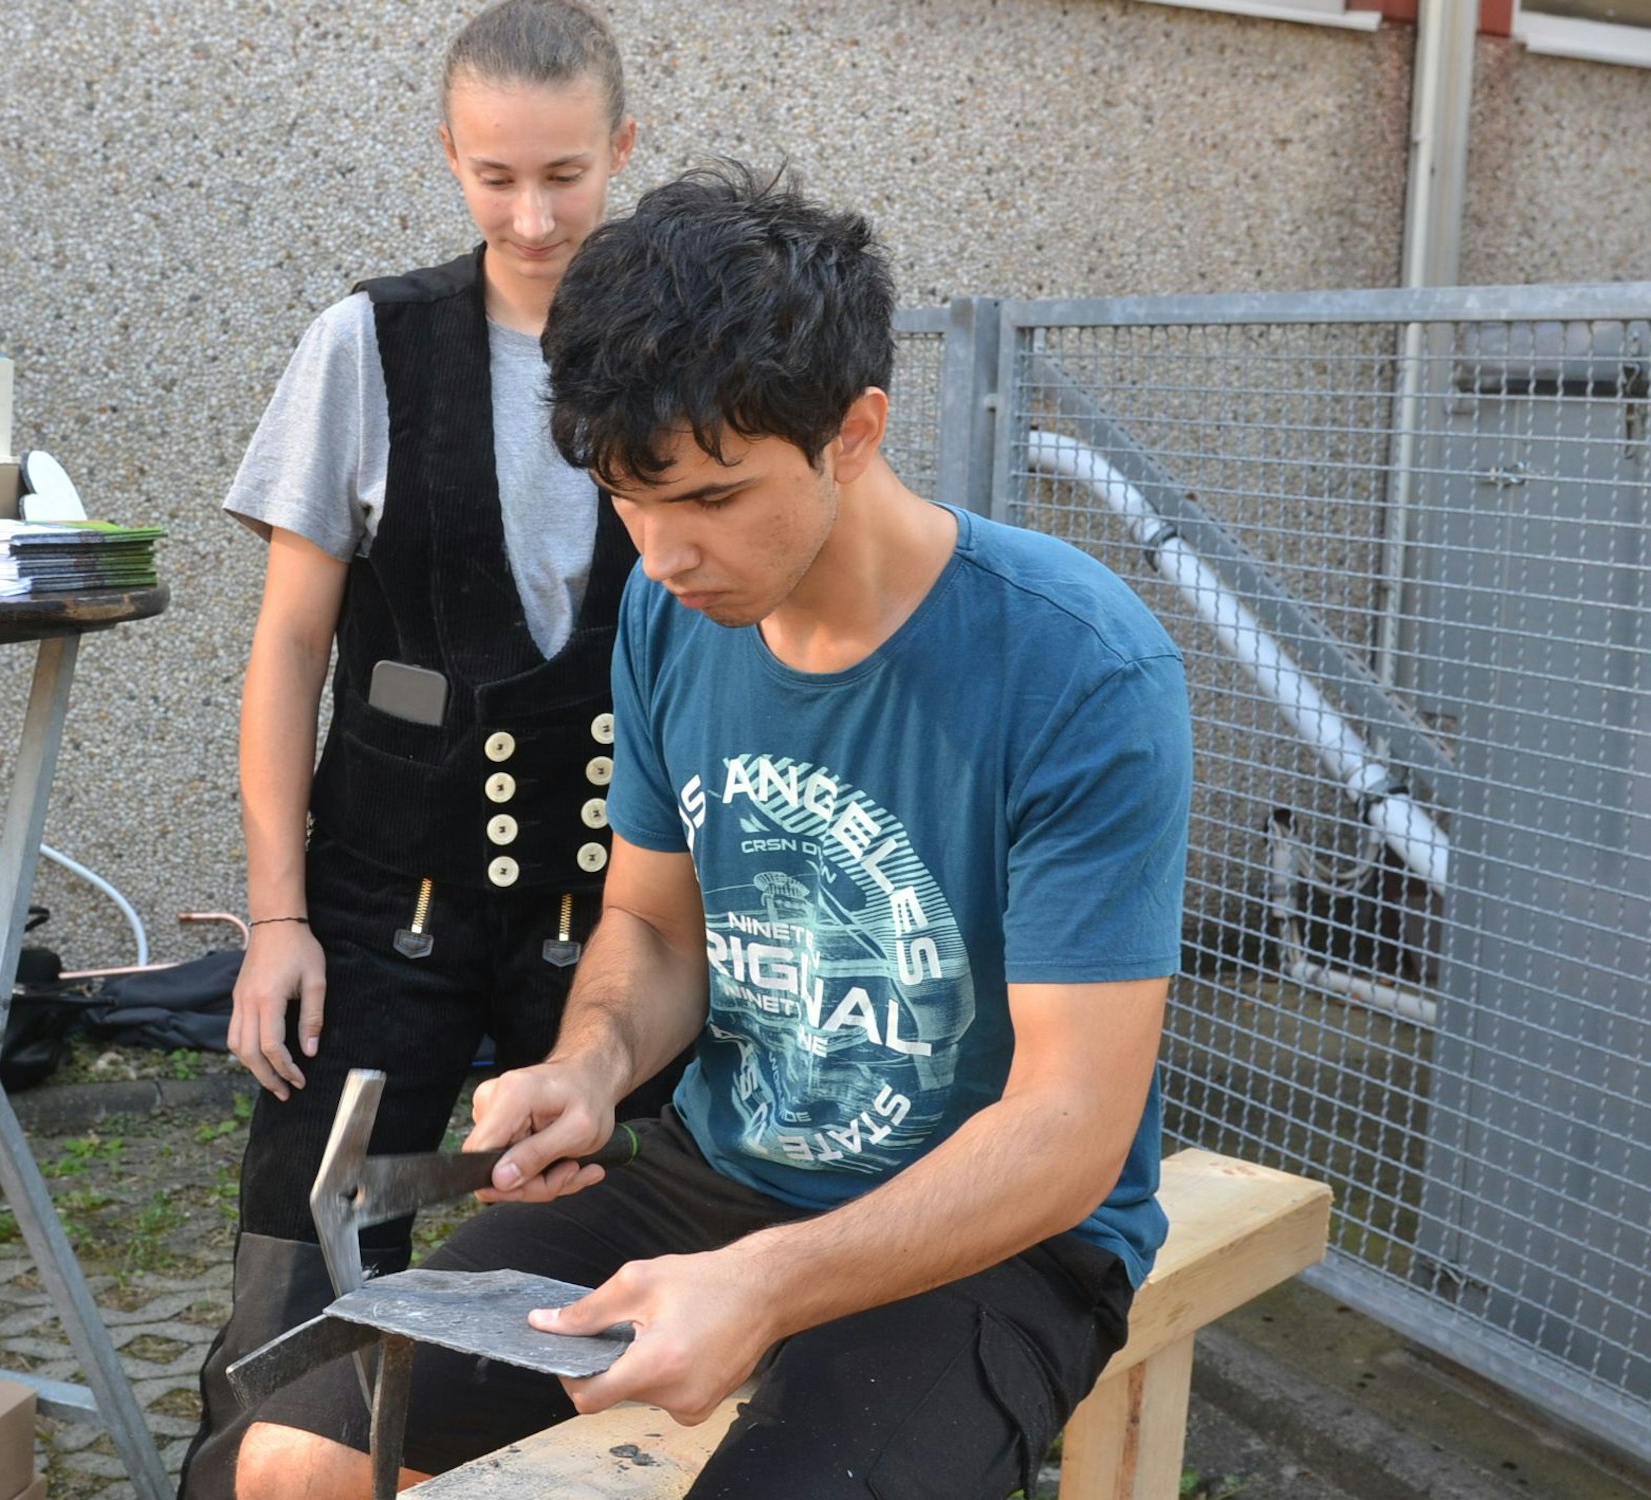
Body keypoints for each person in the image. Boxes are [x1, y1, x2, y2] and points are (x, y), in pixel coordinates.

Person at [257, 161, 1196, 1499]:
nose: (663, 550)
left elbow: (1068, 1122)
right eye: (628, 501)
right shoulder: (670, 616)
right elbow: (649, 922)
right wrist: (591, 1064)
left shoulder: (1078, 666)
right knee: (298, 1466)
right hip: (718, 1178)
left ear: (855, 431)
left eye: (710, 498)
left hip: (995, 1234)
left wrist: (762, 1287)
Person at [179, 6, 685, 1496]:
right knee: (298, 1248)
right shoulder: (367, 343)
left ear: (625, 153)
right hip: (382, 885)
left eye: (567, 176)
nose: (531, 216)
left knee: (579, 1258)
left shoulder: (681, 353)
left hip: (611, 907)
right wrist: (275, 918)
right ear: (449, 159)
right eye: (494, 176)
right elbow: (286, 650)